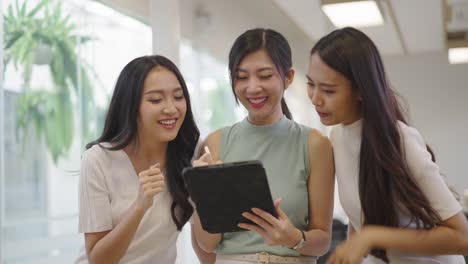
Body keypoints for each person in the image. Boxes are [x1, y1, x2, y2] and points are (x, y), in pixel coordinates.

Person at [306, 27, 468, 264]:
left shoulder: (401, 141)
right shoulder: (338, 136)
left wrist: (373, 237)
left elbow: (462, 236)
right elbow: (358, 215)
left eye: (328, 90)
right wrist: (356, 246)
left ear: (361, 90)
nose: (315, 98)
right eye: (311, 84)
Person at [191, 28, 335, 264]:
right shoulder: (215, 143)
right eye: (242, 76)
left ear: (287, 77)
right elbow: (207, 243)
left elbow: (323, 240)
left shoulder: (315, 144)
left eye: (265, 75)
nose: (253, 87)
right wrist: (204, 194)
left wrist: (292, 238)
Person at [75, 55, 199, 264]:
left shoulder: (190, 156)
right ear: (130, 106)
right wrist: (139, 206)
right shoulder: (97, 160)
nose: (171, 108)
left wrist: (207, 192)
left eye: (178, 97)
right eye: (156, 100)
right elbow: (98, 259)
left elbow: (208, 245)